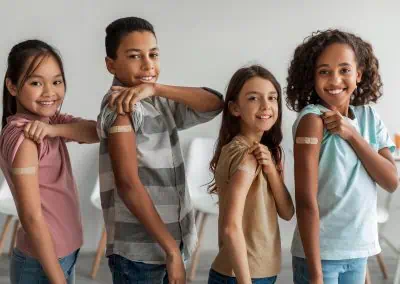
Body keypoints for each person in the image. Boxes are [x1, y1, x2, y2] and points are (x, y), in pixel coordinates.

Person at [97, 16, 223, 283]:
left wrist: (154, 87)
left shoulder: (156, 101)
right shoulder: (121, 107)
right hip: (142, 254)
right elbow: (128, 184)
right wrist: (170, 251)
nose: (147, 64)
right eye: (134, 56)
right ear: (111, 64)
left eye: (153, 54)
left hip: (167, 245)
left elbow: (214, 103)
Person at [286, 29, 399, 284]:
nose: (335, 79)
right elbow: (305, 201)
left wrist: (353, 135)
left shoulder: (369, 118)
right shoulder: (313, 121)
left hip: (357, 252)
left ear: (358, 74)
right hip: (320, 256)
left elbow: (391, 181)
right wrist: (315, 274)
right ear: (312, 78)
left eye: (344, 70)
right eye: (324, 71)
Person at [0, 39, 99, 284]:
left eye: (56, 81)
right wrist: (57, 278)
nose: (49, 92)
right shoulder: (26, 138)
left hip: (63, 254)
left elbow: (98, 131)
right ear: (12, 86)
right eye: (36, 82)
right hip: (44, 263)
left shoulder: (49, 122)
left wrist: (53, 130)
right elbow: (32, 218)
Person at [208, 65, 294, 284]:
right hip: (243, 275)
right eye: (254, 98)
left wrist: (272, 171)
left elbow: (287, 211)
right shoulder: (245, 155)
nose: (266, 106)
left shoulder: (266, 153)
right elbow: (230, 227)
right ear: (235, 108)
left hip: (261, 271)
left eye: (272, 98)